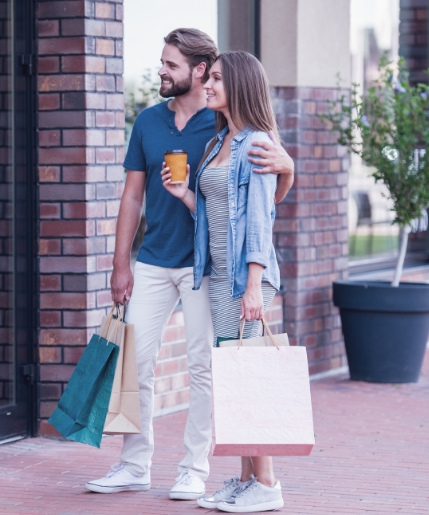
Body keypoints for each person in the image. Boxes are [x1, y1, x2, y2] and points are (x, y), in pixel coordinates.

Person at [85, 29, 294, 501]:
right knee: (138, 362)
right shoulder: (164, 124)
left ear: (200, 72)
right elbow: (135, 196)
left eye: (170, 64)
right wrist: (123, 263)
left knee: (212, 367)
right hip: (163, 260)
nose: (160, 70)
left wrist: (289, 168)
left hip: (210, 268)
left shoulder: (230, 129)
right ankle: (135, 465)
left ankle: (198, 470)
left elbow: (260, 208)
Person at [162, 50, 286, 512]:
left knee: (247, 379)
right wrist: (185, 195)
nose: (207, 84)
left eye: (215, 78)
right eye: (207, 77)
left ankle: (267, 485)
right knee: (234, 377)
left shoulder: (257, 144)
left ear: (239, 85)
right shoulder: (219, 144)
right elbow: (215, 218)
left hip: (243, 279)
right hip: (218, 277)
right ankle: (244, 479)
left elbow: (258, 221)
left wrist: (252, 286)